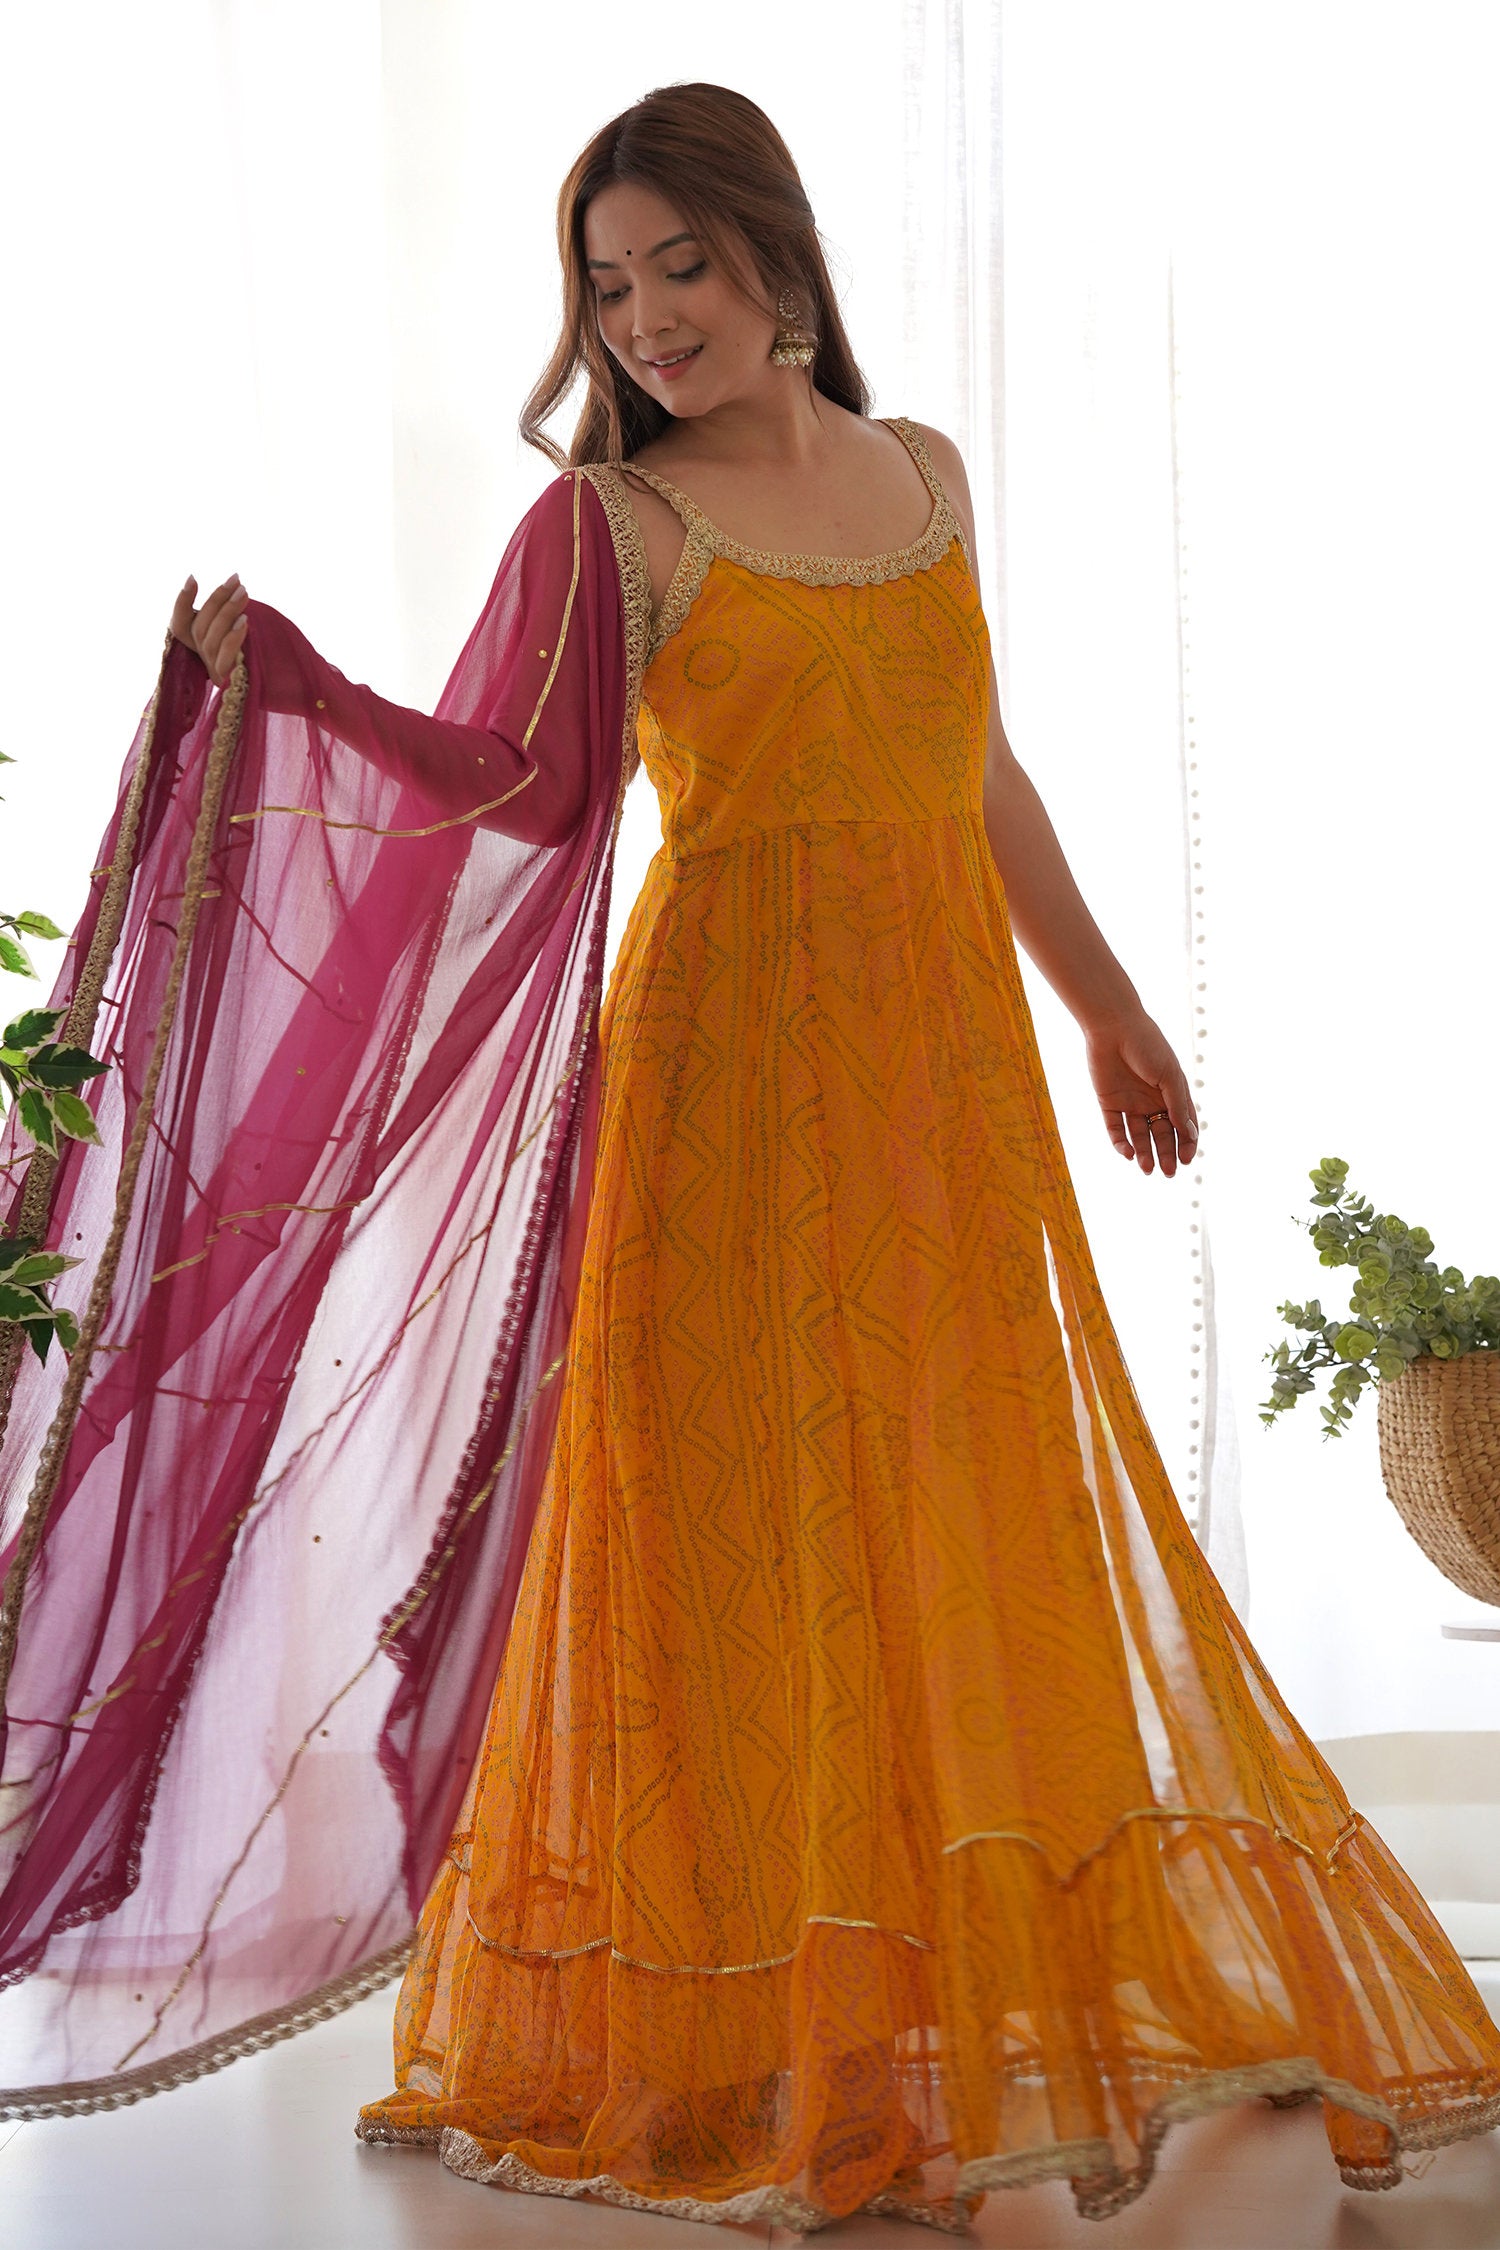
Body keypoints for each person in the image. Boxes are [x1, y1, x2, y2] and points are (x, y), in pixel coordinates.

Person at [3, 80, 1497, 2229]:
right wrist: (292, 696)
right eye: (608, 287)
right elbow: (506, 790)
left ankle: (941, 1974)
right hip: (725, 1084)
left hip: (944, 1081)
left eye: (677, 266)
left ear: (777, 254)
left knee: (959, 1502)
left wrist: (1105, 1006)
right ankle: (754, 2021)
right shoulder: (610, 527)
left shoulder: (926, 476)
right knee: (739, 1531)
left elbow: (976, 765)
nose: (643, 319)